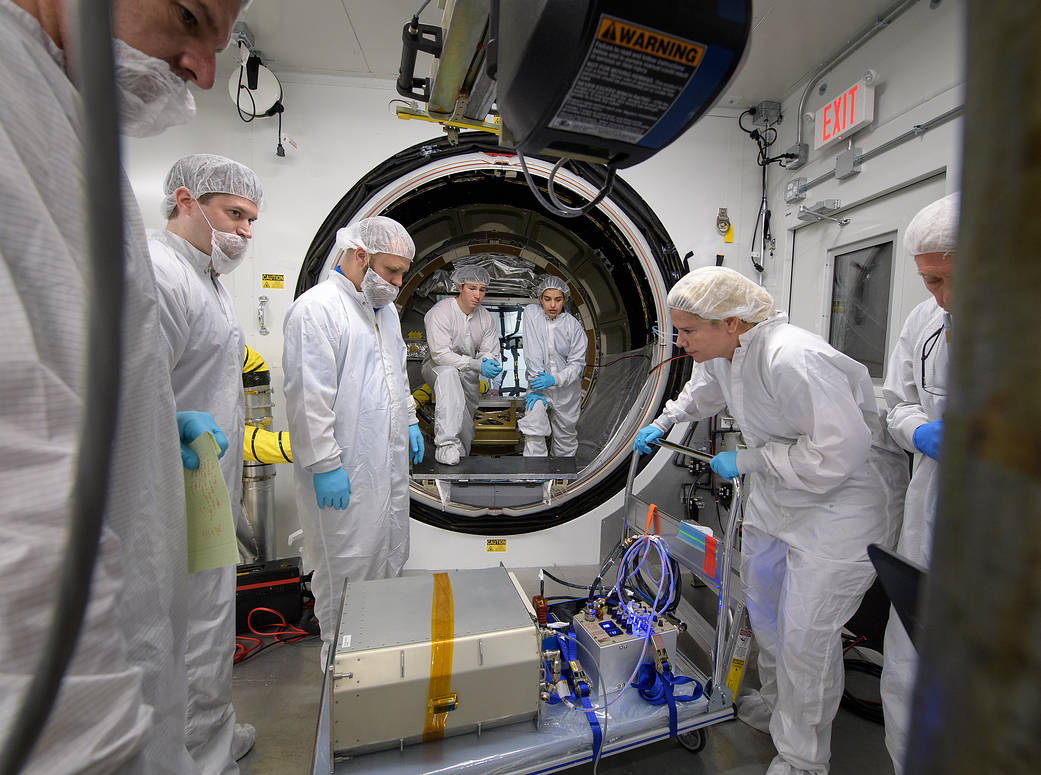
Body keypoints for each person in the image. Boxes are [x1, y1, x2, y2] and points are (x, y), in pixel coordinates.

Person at [0, 0, 244, 772]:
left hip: (156, 524)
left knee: (186, 637)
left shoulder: (55, 115)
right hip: (66, 694)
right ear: (188, 201)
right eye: (189, 17)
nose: (203, 69)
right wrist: (90, 743)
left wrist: (152, 418)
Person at [633, 266, 907, 775]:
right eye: (678, 330)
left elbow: (839, 452)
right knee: (766, 613)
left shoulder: (792, 357)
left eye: (689, 331)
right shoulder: (722, 354)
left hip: (841, 506)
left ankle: (803, 758)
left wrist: (751, 461)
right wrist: (664, 420)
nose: (681, 341)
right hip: (780, 497)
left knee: (806, 635)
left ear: (732, 322)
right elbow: (703, 394)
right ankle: (781, 706)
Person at [150, 154, 264, 772]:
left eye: (252, 220)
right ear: (187, 201)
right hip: (173, 483)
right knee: (189, 622)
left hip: (207, 482)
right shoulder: (159, 271)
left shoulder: (207, 278)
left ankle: (212, 732)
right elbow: (128, 389)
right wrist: (174, 420)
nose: (246, 231)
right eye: (235, 214)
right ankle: (196, 754)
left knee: (211, 615)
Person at [283, 217, 422, 666]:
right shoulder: (317, 310)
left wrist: (411, 421)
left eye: (403, 273)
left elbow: (396, 377)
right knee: (347, 567)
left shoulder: (386, 313)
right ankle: (342, 671)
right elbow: (308, 397)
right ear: (359, 255)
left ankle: (377, 659)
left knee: (388, 554)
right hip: (343, 471)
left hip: (386, 465)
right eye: (391, 271)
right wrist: (324, 464)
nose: (398, 284)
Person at [879, 192, 958, 775]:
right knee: (907, 658)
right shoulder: (925, 321)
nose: (943, 296)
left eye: (953, 278)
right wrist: (920, 430)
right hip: (929, 503)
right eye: (930, 280)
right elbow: (896, 403)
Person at [421, 265, 502, 465]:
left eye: (482, 290)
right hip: (436, 366)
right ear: (460, 287)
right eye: (472, 288)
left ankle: (461, 455)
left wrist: (489, 361)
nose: (478, 295)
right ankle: (446, 446)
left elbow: (489, 349)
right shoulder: (440, 312)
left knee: (466, 414)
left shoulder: (485, 317)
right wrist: (476, 364)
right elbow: (440, 354)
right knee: (449, 375)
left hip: (469, 370)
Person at [516, 275, 587, 456]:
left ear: (565, 299)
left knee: (566, 436)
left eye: (558, 299)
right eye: (547, 299)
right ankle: (534, 475)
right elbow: (532, 352)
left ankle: (561, 480)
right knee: (534, 427)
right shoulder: (532, 315)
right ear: (540, 299)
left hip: (567, 391)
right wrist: (537, 380)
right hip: (539, 385)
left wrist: (555, 379)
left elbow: (577, 364)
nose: (553, 305)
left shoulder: (573, 327)